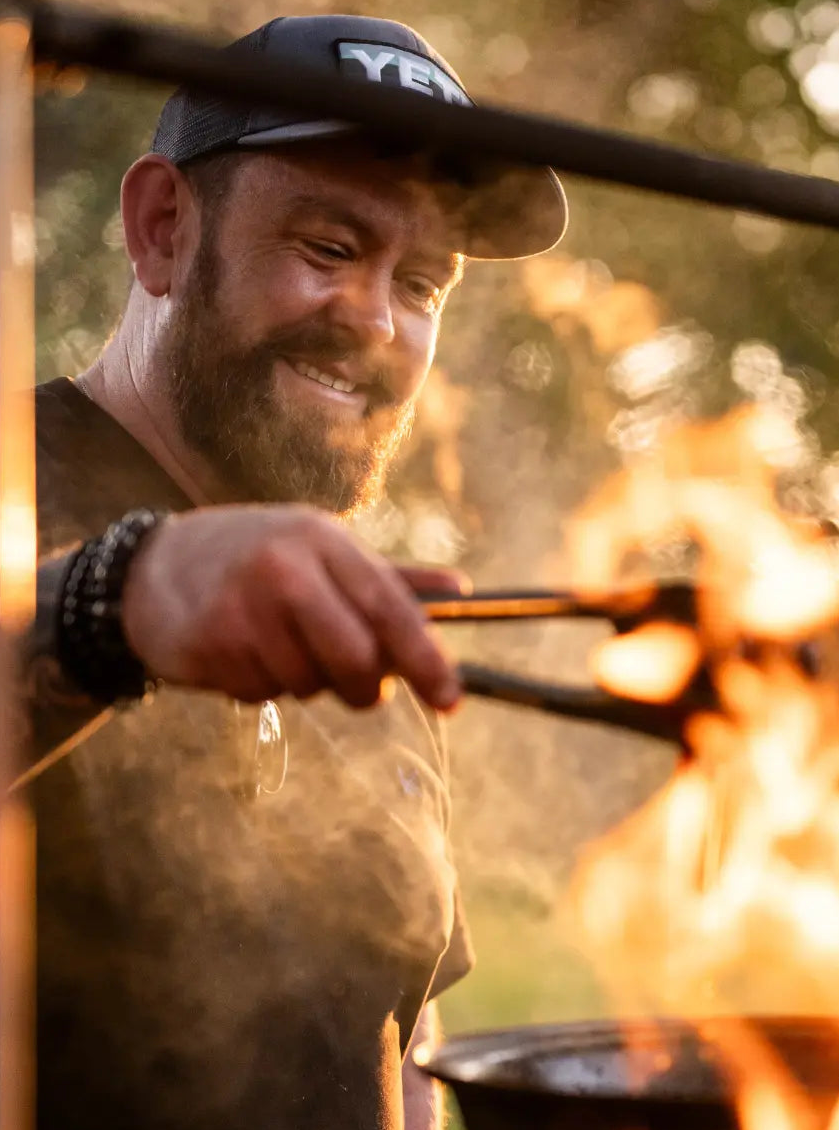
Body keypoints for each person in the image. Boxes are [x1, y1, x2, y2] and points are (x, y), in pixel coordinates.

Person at [19, 14, 567, 1130]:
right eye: (327, 248)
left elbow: (397, 1034)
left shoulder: (361, 628)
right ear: (163, 225)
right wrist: (114, 597)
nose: (373, 321)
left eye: (422, 283)